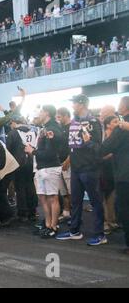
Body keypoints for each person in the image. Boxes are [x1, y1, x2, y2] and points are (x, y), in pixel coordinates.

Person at [56, 95, 106, 246]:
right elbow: (72, 146)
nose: (73, 106)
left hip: (90, 168)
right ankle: (74, 231)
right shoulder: (74, 122)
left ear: (82, 104)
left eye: (74, 103)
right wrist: (68, 161)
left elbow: (99, 148)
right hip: (77, 168)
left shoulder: (93, 122)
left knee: (95, 202)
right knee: (76, 201)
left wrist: (88, 142)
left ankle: (100, 234)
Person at [83, 97, 129, 254]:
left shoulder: (121, 128)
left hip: (124, 174)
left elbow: (104, 149)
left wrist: (89, 142)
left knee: (124, 208)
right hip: (120, 172)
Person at [25, 105, 65, 239]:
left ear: (47, 113)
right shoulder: (46, 128)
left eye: (41, 111)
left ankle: (53, 226)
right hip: (41, 167)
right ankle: (48, 224)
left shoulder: (52, 128)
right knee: (43, 197)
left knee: (52, 197)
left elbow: (50, 152)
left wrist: (33, 152)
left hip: (50, 167)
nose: (39, 114)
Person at [6, 116, 38, 222]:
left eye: (11, 124)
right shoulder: (33, 131)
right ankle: (32, 211)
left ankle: (23, 213)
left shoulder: (13, 133)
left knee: (20, 188)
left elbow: (8, 150)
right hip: (31, 162)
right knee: (30, 186)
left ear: (14, 123)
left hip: (18, 164)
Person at [57, 107, 73, 220]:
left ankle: (74, 215)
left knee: (71, 190)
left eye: (59, 116)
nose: (58, 119)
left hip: (69, 163)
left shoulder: (72, 127)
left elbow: (74, 147)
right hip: (59, 163)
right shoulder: (60, 128)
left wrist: (68, 160)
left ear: (66, 115)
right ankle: (66, 212)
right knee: (64, 192)